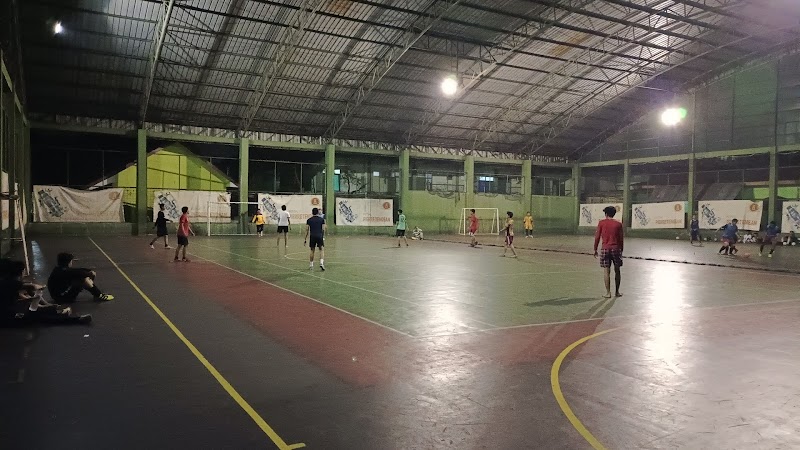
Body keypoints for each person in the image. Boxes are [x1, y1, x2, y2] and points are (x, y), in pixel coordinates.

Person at [2, 259, 92, 326]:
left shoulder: (9, 282)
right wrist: (35, 296)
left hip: (10, 311)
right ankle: (73, 319)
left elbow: (19, 296)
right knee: (39, 317)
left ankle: (60, 313)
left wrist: (32, 299)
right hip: (7, 317)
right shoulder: (11, 283)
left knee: (38, 311)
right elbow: (30, 288)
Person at [47, 253, 114, 302]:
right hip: (62, 298)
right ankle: (99, 295)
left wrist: (88, 271)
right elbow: (80, 273)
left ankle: (97, 294)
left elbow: (76, 270)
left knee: (81, 278)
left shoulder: (59, 269)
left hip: (58, 296)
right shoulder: (66, 272)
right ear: (69, 262)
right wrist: (90, 273)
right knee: (83, 280)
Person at [593, 206, 624, 299]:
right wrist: (621, 250)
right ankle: (617, 292)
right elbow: (621, 239)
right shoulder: (618, 224)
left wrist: (595, 249)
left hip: (605, 249)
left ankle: (608, 293)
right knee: (617, 270)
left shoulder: (601, 223)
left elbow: (597, 237)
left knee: (606, 271)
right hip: (616, 248)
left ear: (606, 214)